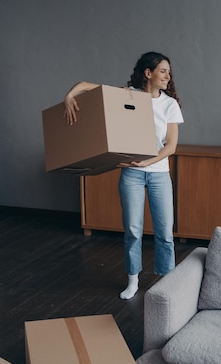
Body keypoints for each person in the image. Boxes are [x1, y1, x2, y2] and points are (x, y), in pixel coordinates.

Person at [63, 51, 184, 300]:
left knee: (165, 233)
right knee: (133, 230)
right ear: (148, 73)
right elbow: (87, 86)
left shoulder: (169, 104)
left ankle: (166, 284)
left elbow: (170, 146)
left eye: (169, 72)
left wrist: (147, 162)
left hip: (159, 175)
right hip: (131, 174)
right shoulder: (129, 95)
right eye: (163, 71)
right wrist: (69, 95)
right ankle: (132, 281)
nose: (168, 76)